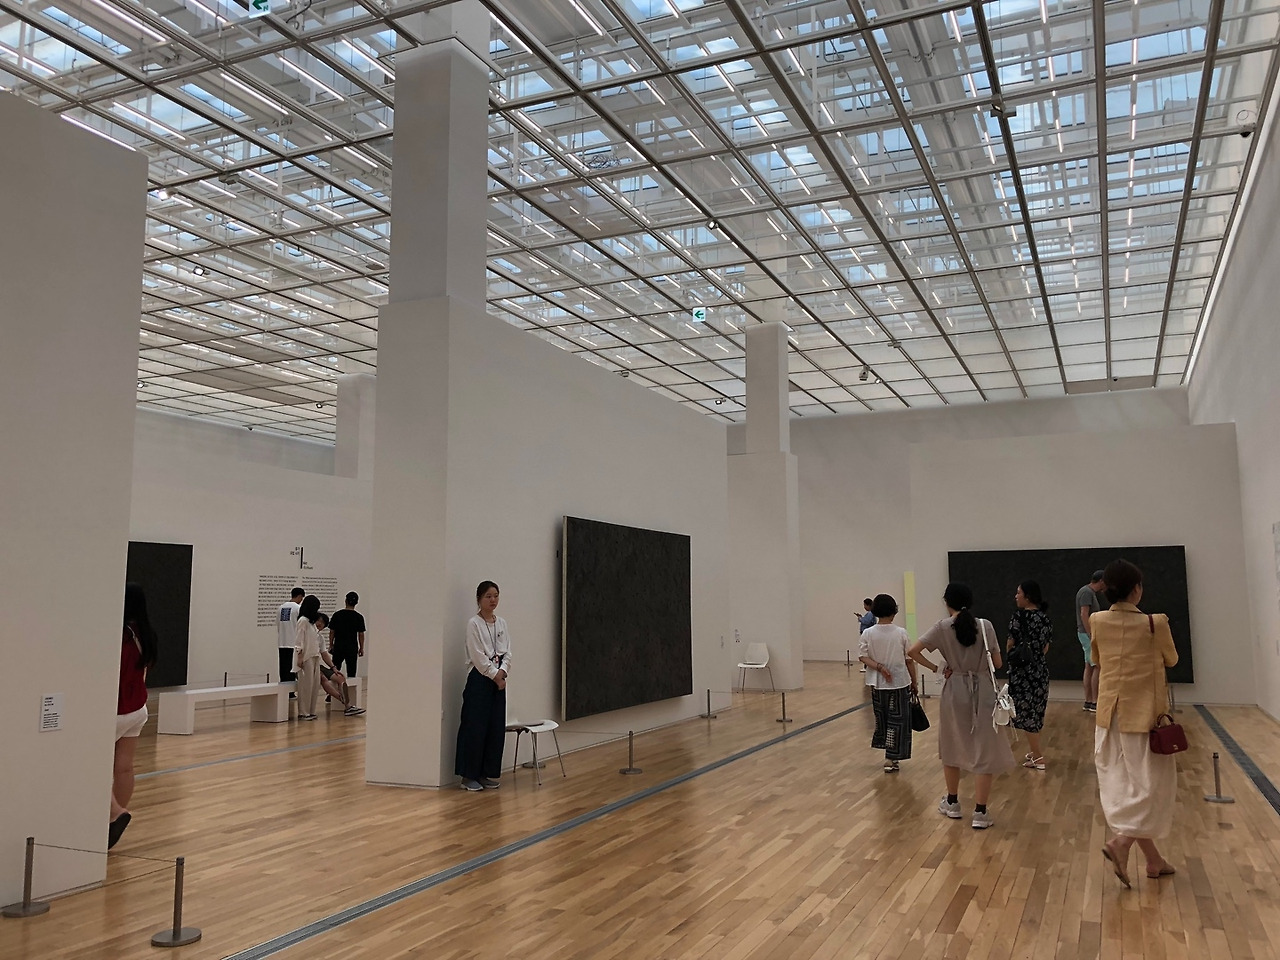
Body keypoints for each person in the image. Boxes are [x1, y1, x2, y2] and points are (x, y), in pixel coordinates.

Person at [1093, 559, 1179, 888]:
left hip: (1109, 716)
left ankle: (1154, 861)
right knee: (1152, 787)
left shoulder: (1098, 621)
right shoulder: (1155, 623)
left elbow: (1096, 659)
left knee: (1123, 785)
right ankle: (1122, 842)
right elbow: (1172, 659)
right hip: (1144, 718)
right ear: (1137, 589)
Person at [908, 583, 1015, 829]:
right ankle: (980, 812)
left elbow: (913, 651)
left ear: (947, 602)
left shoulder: (941, 627)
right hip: (983, 689)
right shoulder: (985, 626)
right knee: (984, 749)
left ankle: (953, 802)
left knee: (952, 743)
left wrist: (937, 668)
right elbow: (998, 663)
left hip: (955, 689)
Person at [859, 593, 932, 772]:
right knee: (898, 720)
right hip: (899, 682)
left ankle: (888, 754)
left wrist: (879, 667)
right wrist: (914, 682)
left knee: (882, 718)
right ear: (894, 611)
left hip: (877, 684)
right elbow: (909, 660)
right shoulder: (901, 633)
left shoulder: (868, 633)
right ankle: (892, 757)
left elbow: (862, 657)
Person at [111, 583, 158, 850]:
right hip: (137, 709)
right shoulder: (146, 633)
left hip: (115, 709)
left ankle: (114, 813)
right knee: (125, 768)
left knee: (95, 766)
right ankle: (112, 822)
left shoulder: (119, 635)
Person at [455, 581, 511, 792]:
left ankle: (485, 773)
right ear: (479, 599)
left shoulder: (502, 623)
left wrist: (503, 671)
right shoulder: (474, 624)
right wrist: (495, 675)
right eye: (488, 596)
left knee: (494, 728)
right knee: (475, 727)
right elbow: (478, 656)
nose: (493, 600)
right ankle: (468, 775)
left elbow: (508, 652)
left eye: (496, 595)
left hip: (499, 680)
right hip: (480, 679)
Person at [1007, 580, 1052, 770]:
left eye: (1019, 593)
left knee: (1025, 714)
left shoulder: (1018, 617)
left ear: (1028, 596)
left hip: (1021, 672)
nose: (1016, 596)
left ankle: (1038, 756)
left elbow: (1010, 644)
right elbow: (1045, 647)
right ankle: (1034, 752)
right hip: (1039, 670)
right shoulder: (1044, 618)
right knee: (1036, 711)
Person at [315, 613, 364, 716]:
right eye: (318, 621)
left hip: (318, 665)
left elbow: (324, 654)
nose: (319, 624)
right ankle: (346, 704)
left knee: (340, 678)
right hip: (309, 665)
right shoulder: (307, 634)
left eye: (322, 623)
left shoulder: (320, 638)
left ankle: (347, 705)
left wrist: (333, 668)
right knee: (323, 678)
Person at [1076, 571, 1105, 712]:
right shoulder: (1086, 592)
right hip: (1087, 634)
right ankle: (1094, 701)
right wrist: (1091, 634)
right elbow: (1084, 614)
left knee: (1089, 666)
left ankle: (1088, 701)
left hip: (1086, 633)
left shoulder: (1088, 592)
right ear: (1101, 581)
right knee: (1096, 666)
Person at [293, 595, 323, 720]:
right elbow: (299, 640)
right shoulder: (303, 621)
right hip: (306, 657)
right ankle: (303, 712)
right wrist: (299, 657)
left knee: (314, 685)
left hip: (314, 656)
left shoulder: (311, 623)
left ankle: (311, 711)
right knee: (305, 686)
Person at [327, 591, 365, 679]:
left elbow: (332, 631)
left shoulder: (337, 615)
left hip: (338, 646)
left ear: (345, 601)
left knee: (335, 669)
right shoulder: (359, 617)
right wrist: (361, 648)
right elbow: (361, 634)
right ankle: (351, 687)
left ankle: (333, 687)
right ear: (356, 602)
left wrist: (331, 644)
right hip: (352, 647)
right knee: (351, 671)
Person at [277, 587, 304, 688]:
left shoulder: (281, 608)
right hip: (293, 643)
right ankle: (291, 692)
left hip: (282, 642)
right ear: (300, 596)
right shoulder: (298, 608)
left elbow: (278, 624)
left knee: (283, 668)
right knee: (292, 669)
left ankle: (283, 690)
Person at [858, 598, 875, 673]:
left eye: (865, 605)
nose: (864, 607)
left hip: (867, 634)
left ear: (868, 605)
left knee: (866, 650)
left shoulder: (870, 613)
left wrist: (860, 618)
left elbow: (867, 621)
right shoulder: (870, 613)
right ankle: (866, 666)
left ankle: (866, 666)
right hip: (868, 634)